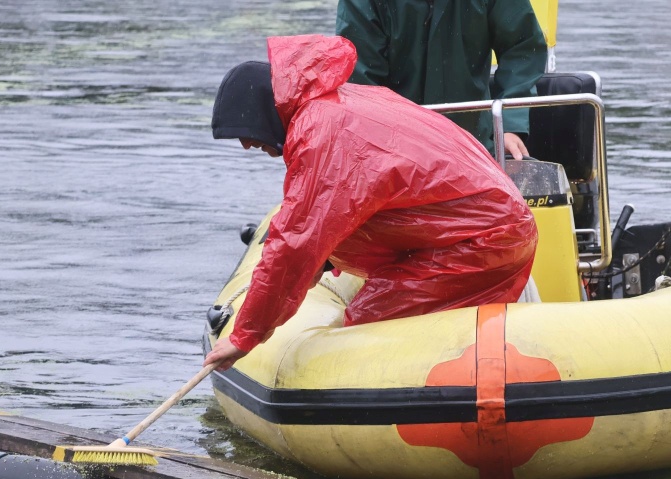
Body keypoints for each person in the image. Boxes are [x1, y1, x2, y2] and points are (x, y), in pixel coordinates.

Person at [203, 34, 537, 372]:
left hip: (482, 241)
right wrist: (321, 262)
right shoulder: (342, 103)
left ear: (262, 111)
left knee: (365, 329)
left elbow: (295, 242)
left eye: (244, 131)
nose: (246, 145)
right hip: (486, 228)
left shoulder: (320, 134)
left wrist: (244, 335)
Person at [336, 0, 547, 160]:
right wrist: (380, 147)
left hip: (474, 149)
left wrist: (509, 126)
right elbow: (360, 79)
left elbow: (522, 47)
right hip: (393, 154)